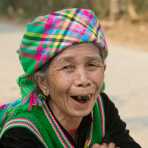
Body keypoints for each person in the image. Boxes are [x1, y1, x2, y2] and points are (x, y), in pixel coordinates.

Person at [0, 8, 141, 148]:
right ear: (43, 82)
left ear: (104, 69)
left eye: (92, 64)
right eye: (67, 67)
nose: (83, 80)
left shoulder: (102, 108)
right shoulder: (20, 133)